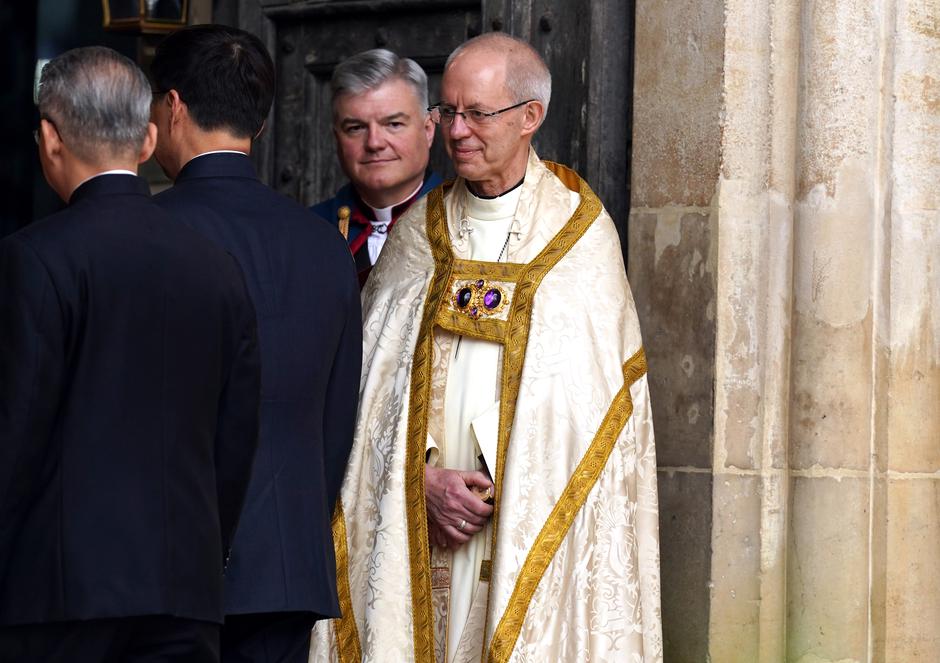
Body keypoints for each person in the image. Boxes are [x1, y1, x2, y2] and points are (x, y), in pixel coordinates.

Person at [311, 32, 663, 662]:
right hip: (419, 517)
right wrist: (418, 477)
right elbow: (369, 396)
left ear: (531, 117)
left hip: (522, 520)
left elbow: (600, 414)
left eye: (477, 113)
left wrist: (518, 482)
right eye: (448, 112)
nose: (457, 131)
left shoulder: (579, 235)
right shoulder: (419, 234)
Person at [0, 46, 261, 662]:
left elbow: (15, 433)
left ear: (48, 139)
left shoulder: (34, 258)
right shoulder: (216, 266)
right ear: (148, 140)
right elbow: (236, 435)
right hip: (185, 591)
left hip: (60, 598)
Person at [149, 25, 362, 663]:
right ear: (260, 127)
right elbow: (336, 420)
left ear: (173, 107)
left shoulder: (148, 233)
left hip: (168, 564)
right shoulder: (324, 242)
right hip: (289, 562)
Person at [311, 48, 442, 287]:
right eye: (356, 128)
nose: (374, 143)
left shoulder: (467, 223)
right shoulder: (307, 230)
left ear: (428, 130)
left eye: (393, 124)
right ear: (337, 138)